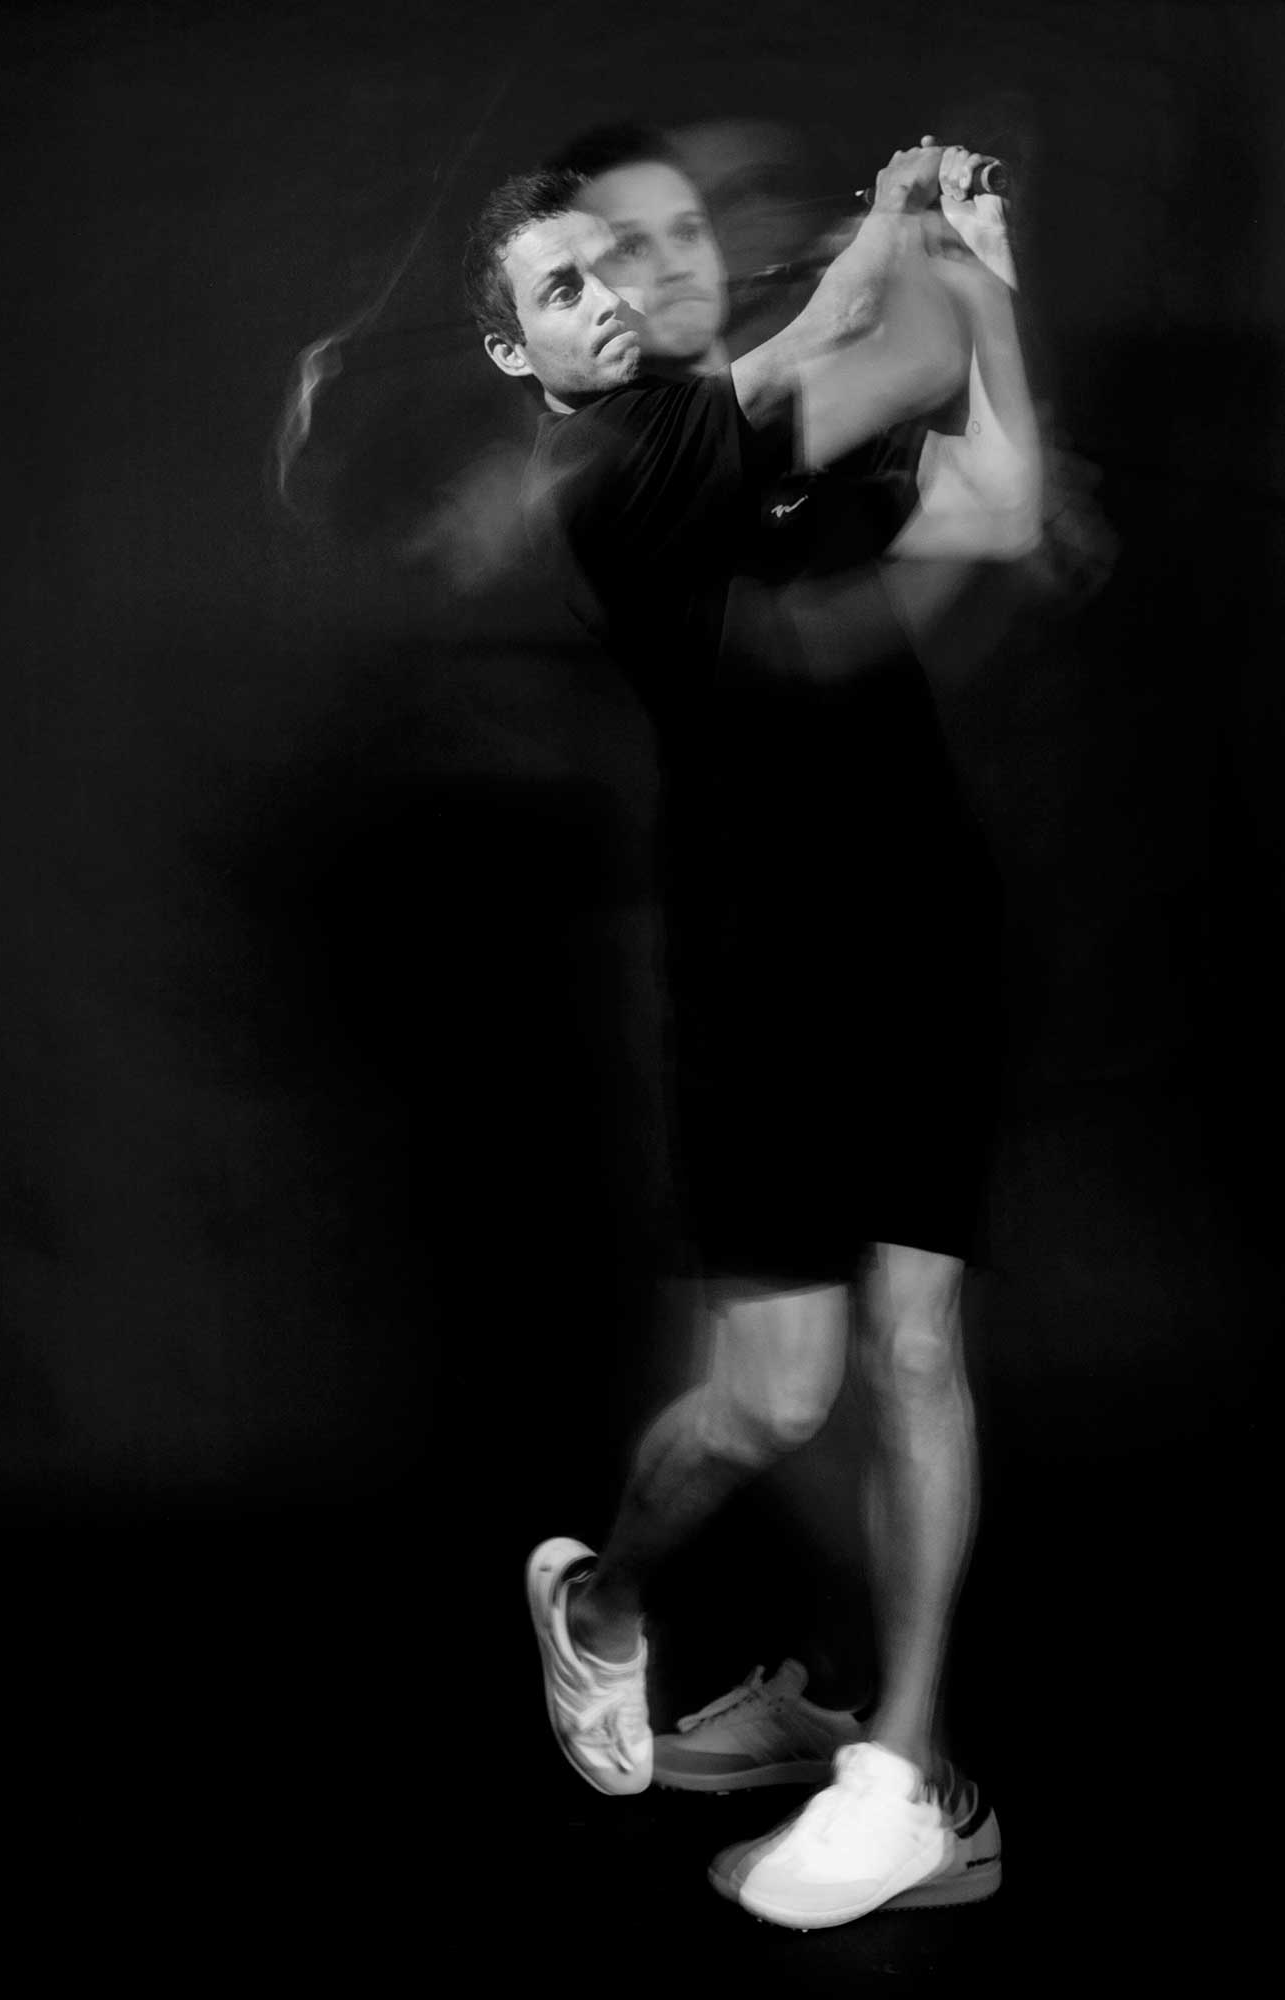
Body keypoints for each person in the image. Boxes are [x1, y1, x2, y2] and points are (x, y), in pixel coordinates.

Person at [464, 131, 1039, 1929]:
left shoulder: (774, 429)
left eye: (631, 260)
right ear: (518, 354)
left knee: (918, 1352)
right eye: (566, 288)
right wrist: (912, 236)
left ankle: (903, 1773)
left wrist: (990, 286)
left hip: (924, 937)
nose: (613, 298)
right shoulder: (613, 468)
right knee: (773, 1400)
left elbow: (997, 495)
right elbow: (870, 345)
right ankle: (603, 1603)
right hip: (757, 974)